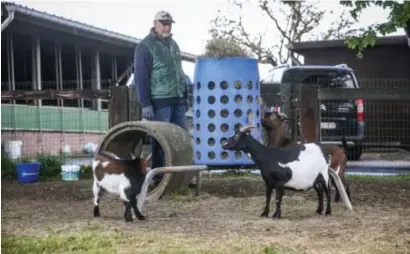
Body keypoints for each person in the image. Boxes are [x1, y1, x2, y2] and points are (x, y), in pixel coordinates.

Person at [133, 10, 189, 185]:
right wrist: (145, 103)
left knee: (181, 139)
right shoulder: (145, 46)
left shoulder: (174, 45)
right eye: (163, 23)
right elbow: (140, 77)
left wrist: (185, 95)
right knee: (160, 141)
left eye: (169, 23)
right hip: (159, 101)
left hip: (178, 99)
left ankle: (180, 178)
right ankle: (158, 178)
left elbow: (180, 73)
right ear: (155, 23)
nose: (167, 26)